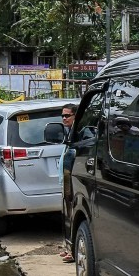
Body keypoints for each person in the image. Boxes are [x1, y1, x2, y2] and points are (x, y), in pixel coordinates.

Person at [57, 103, 77, 262]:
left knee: (73, 215)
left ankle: (73, 251)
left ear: (75, 115)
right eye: (62, 115)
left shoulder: (81, 133)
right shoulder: (69, 132)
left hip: (72, 181)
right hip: (65, 180)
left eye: (67, 115)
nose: (64, 118)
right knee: (67, 216)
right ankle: (68, 247)